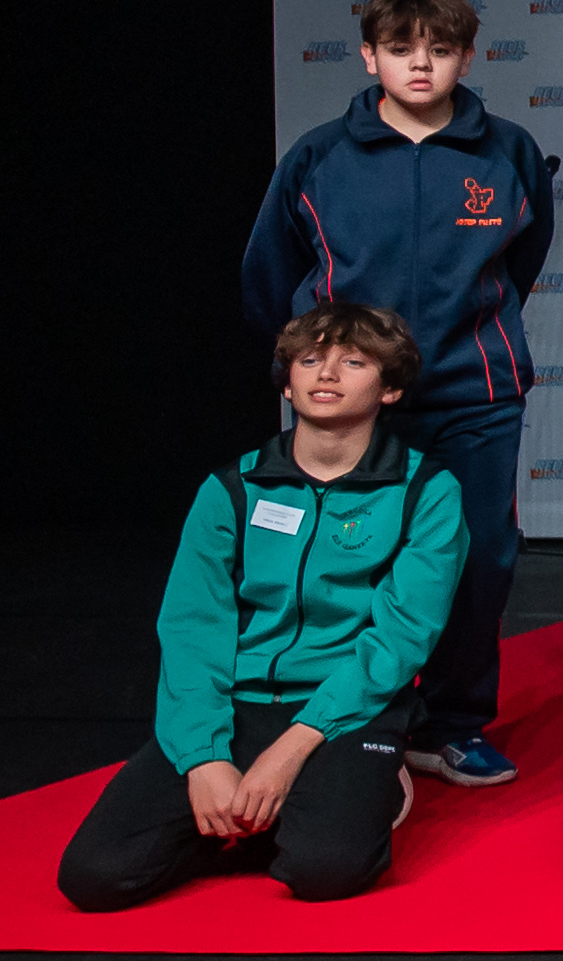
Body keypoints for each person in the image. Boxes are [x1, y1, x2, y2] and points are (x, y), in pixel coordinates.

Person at [243, 0, 558, 790]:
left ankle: (449, 726)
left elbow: (523, 259)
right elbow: (270, 272)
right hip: (349, 400)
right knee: (348, 555)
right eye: (401, 49)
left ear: (466, 55)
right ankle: (342, 718)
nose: (421, 65)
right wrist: (315, 363)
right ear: (369, 55)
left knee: (478, 557)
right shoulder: (319, 154)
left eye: (440, 49)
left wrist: (473, 332)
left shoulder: (509, 150)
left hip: (473, 393)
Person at [58, 303, 465, 912]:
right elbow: (193, 628)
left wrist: (291, 749)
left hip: (346, 709)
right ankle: (247, 816)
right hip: (236, 704)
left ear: (391, 388)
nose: (326, 374)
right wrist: (204, 760)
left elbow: (401, 637)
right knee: (94, 875)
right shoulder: (232, 488)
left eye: (352, 362)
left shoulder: (428, 491)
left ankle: (373, 783)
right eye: (310, 359)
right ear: (288, 378)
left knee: (323, 869)